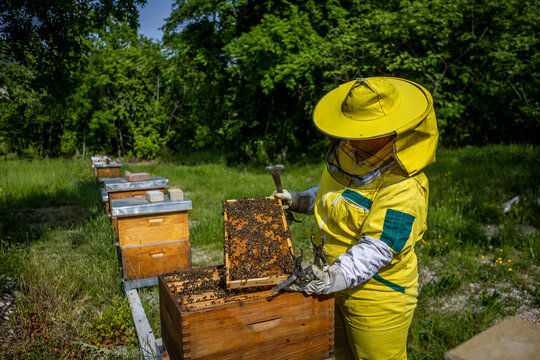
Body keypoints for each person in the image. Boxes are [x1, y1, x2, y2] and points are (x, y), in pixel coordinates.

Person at [273, 77, 438, 359]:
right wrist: (303, 199)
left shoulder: (405, 186)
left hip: (377, 294)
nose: (352, 139)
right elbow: (338, 195)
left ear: (392, 131)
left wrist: (337, 275)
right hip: (332, 282)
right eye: (351, 130)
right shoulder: (352, 155)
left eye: (364, 132)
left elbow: (380, 246)